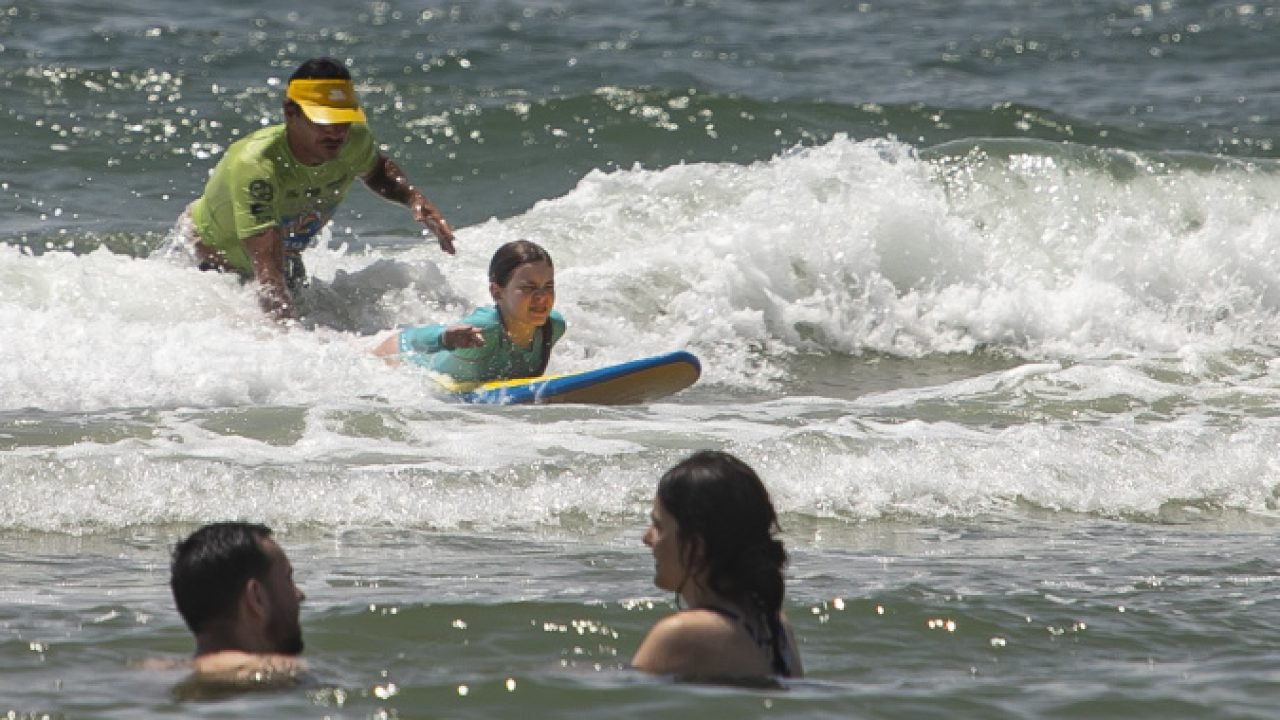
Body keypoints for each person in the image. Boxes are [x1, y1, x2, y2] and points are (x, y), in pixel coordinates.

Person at [170, 57, 456, 321]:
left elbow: (377, 171)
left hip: (284, 256)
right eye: (324, 120)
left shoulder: (353, 141)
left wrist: (413, 198)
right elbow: (269, 279)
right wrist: (293, 346)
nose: (336, 131)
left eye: (343, 119)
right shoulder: (257, 166)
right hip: (208, 264)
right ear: (290, 112)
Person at [632, 450, 804, 679]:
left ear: (696, 546)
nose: (647, 538)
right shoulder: (775, 628)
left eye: (658, 526)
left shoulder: (682, 634)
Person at [373, 239, 564, 383]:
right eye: (528, 288)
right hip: (397, 356)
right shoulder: (482, 330)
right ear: (497, 293)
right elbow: (416, 340)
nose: (542, 297)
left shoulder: (552, 326)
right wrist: (444, 338)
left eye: (548, 286)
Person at [168, 521, 307, 685]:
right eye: (287, 579)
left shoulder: (167, 672)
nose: (300, 595)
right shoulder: (283, 671)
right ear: (256, 597)